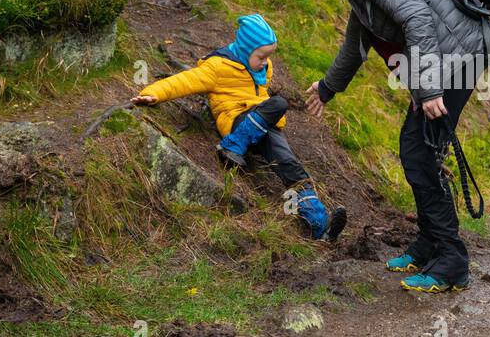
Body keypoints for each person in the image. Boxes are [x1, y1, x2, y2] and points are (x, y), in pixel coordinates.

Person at [294, 0, 490, 292]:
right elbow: (358, 41)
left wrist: (431, 89)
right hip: (446, 58)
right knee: (419, 149)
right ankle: (429, 244)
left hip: (457, 57)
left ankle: (451, 261)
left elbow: (417, 16)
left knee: (418, 152)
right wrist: (326, 88)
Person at [129, 13, 346, 242]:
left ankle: (319, 224)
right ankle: (232, 146)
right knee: (279, 104)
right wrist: (151, 93)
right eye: (261, 57)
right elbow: (184, 81)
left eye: (268, 57)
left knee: (289, 163)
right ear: (245, 49)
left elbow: (260, 93)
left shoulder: (262, 68)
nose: (265, 62)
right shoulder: (218, 67)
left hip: (263, 124)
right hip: (236, 121)